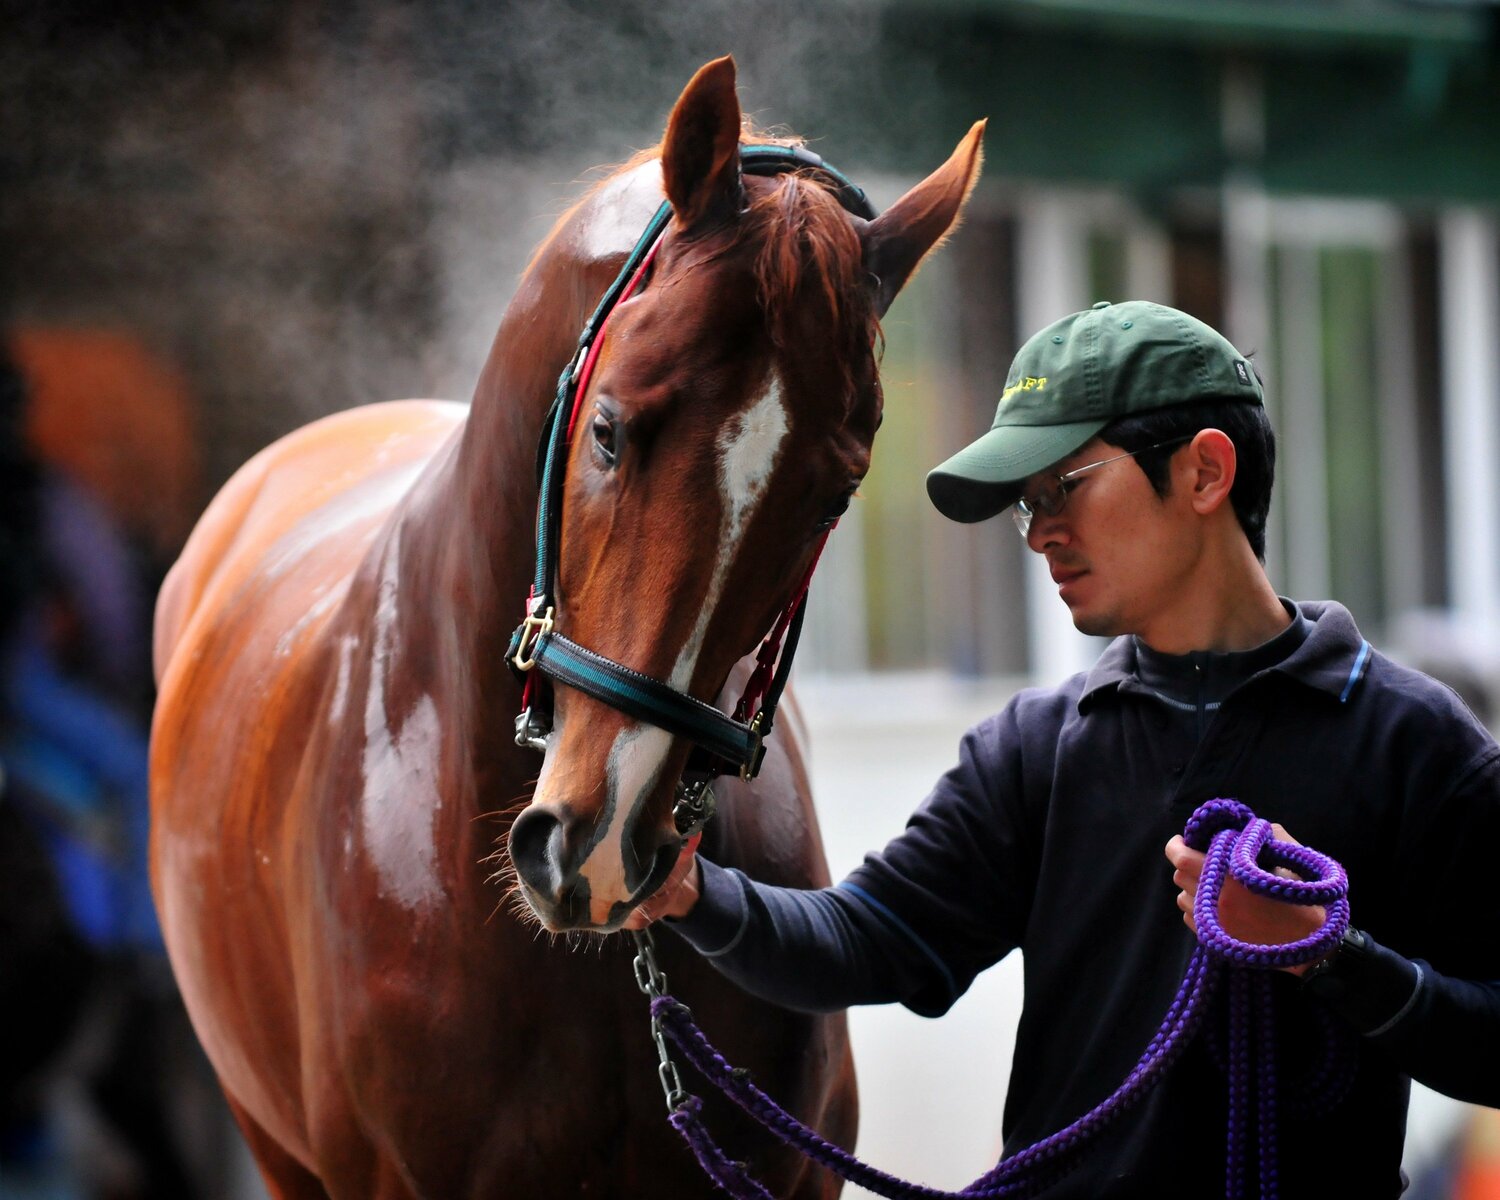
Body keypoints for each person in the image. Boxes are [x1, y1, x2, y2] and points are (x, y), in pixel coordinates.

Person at [631, 300, 1500, 1197]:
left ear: (1205, 471)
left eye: (1064, 486)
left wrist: (1328, 952)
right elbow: (867, 939)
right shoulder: (1034, 749)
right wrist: (695, 893)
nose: (1041, 532)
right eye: (1027, 506)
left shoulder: (1416, 744)